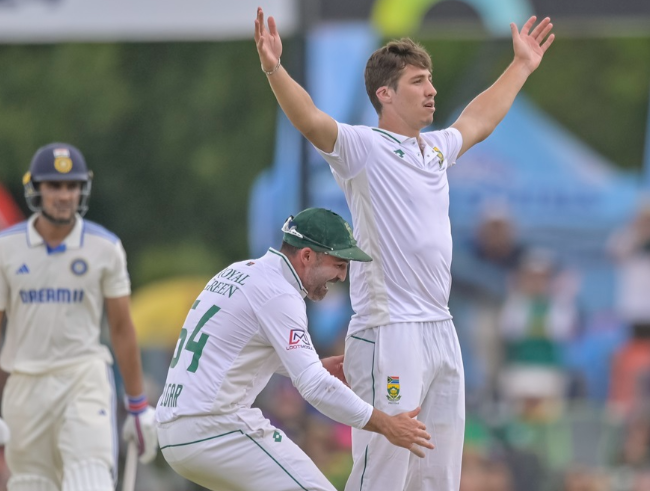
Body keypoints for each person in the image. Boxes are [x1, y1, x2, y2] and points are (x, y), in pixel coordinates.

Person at [254, 7, 554, 491]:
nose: (431, 90)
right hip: (388, 329)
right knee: (382, 475)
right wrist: (274, 68)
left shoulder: (434, 150)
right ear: (385, 94)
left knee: (439, 477)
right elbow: (310, 120)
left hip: (440, 327)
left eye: (430, 80)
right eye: (418, 81)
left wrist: (520, 66)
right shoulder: (362, 148)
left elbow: (478, 120)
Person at [155, 207, 433, 491]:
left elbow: (233, 352)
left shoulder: (239, 271)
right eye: (338, 264)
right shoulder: (280, 293)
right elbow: (313, 387)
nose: (342, 276)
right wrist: (386, 424)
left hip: (172, 429)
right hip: (213, 429)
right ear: (307, 255)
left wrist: (314, 365)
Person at [0, 143, 157, 491]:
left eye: (72, 186)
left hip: (83, 379)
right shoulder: (4, 248)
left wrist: (138, 404)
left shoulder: (105, 247)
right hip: (25, 384)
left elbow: (121, 328)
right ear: (35, 188)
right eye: (54, 185)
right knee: (31, 484)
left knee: (90, 480)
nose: (65, 195)